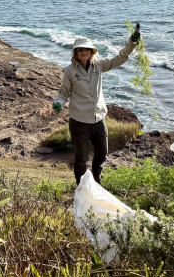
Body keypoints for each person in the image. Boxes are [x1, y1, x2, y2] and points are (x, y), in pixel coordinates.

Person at [53, 23, 141, 184]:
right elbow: (63, 93)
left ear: (92, 51)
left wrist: (132, 42)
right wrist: (58, 103)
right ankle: (81, 186)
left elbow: (120, 58)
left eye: (86, 49)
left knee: (102, 154)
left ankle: (96, 179)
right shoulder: (69, 71)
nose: (84, 51)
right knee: (81, 158)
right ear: (75, 53)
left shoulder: (99, 66)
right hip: (79, 122)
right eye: (80, 49)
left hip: (99, 119)